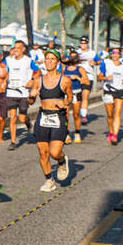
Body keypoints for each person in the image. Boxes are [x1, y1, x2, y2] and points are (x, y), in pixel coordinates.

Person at [30, 49, 73, 191]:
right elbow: (31, 101)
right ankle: (49, 180)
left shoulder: (65, 80)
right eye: (47, 59)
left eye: (52, 59)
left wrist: (65, 103)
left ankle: (61, 160)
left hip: (58, 118)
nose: (49, 61)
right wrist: (32, 95)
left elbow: (70, 97)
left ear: (58, 62)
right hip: (43, 117)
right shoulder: (38, 80)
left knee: (54, 152)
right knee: (43, 152)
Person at [4, 40, 39, 149]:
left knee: (22, 118)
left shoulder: (28, 61)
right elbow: (4, 70)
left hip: (23, 93)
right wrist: (4, 80)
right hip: (11, 92)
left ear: (23, 49)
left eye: (18, 48)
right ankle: (13, 141)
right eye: (14, 48)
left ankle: (29, 124)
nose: (16, 50)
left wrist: (32, 80)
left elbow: (38, 72)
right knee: (13, 117)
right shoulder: (8, 60)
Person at [99, 44, 123, 144]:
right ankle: (111, 131)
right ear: (111, 55)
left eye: (117, 53)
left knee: (117, 112)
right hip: (108, 90)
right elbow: (100, 77)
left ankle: (115, 135)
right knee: (110, 114)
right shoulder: (106, 63)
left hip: (120, 90)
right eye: (113, 53)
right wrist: (106, 78)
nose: (115, 55)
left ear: (120, 54)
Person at [62, 49, 87, 143]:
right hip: (66, 94)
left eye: (74, 57)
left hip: (77, 93)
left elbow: (87, 82)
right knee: (66, 115)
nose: (73, 59)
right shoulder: (65, 69)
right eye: (71, 57)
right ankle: (67, 134)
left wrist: (77, 78)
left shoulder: (80, 69)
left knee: (76, 114)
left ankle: (77, 133)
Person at [76, 36, 99, 124]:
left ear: (88, 44)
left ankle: (84, 116)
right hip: (77, 77)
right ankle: (78, 113)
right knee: (78, 98)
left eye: (85, 43)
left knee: (85, 96)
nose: (83, 44)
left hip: (88, 77)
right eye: (82, 43)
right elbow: (68, 59)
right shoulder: (76, 53)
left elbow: (99, 61)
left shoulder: (92, 53)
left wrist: (95, 63)